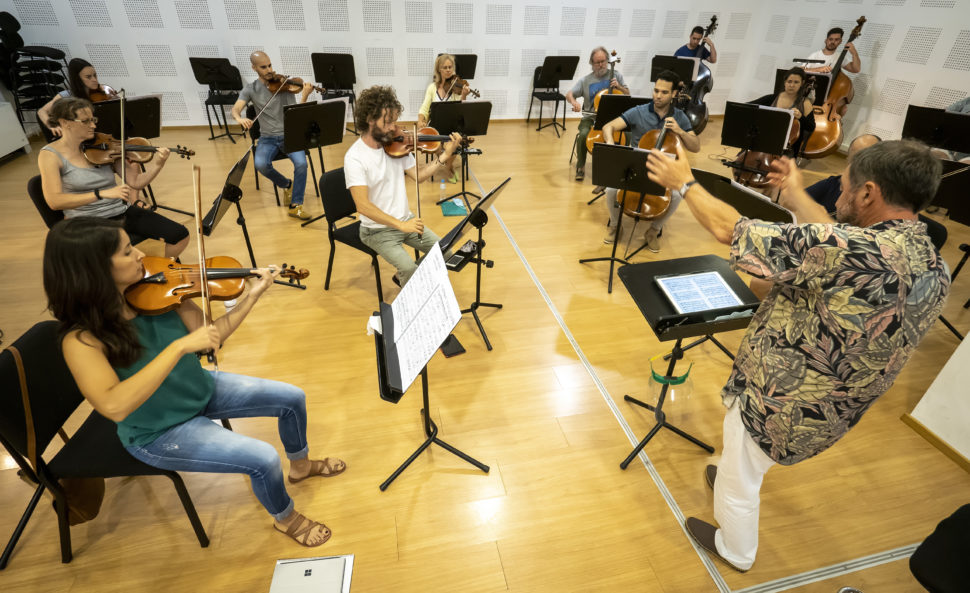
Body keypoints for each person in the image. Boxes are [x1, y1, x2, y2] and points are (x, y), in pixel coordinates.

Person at [644, 139, 949, 572]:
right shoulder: (932, 262)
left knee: (740, 473)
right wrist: (794, 194)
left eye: (844, 188)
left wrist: (685, 182)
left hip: (781, 403)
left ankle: (735, 548)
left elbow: (732, 231)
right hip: (837, 408)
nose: (838, 197)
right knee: (745, 460)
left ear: (868, 194)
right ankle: (740, 471)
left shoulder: (846, 250)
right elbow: (836, 241)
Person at [43, 216, 346, 547]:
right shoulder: (82, 340)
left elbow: (213, 338)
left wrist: (252, 295)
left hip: (198, 389)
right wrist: (177, 348)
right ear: (94, 268)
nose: (142, 255)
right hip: (157, 431)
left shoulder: (157, 293)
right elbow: (114, 406)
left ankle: (300, 466)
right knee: (263, 459)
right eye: (128, 252)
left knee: (292, 397)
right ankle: (285, 517)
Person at [37, 97, 189, 259]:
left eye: (93, 120)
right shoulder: (50, 155)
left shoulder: (104, 146)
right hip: (87, 222)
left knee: (180, 235)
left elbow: (136, 182)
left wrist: (158, 164)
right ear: (65, 122)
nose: (93, 125)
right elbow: (54, 202)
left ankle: (168, 269)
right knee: (120, 255)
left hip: (120, 211)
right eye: (85, 121)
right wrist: (100, 194)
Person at [344, 85, 461, 286]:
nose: (393, 128)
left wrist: (445, 154)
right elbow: (362, 206)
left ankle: (403, 279)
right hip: (377, 230)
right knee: (409, 268)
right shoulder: (355, 158)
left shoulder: (396, 146)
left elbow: (420, 175)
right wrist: (401, 225)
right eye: (387, 122)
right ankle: (410, 296)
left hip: (405, 220)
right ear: (370, 120)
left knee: (446, 250)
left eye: (394, 121)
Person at [599, 69, 699, 251]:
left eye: (664, 92)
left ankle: (653, 230)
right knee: (611, 189)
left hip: (663, 170)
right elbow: (609, 126)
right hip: (636, 167)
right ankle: (615, 225)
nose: (658, 96)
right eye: (656, 90)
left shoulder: (679, 117)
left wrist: (681, 131)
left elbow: (695, 146)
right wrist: (610, 142)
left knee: (678, 194)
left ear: (674, 94)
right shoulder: (639, 112)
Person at [231, 51, 315, 221]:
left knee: (301, 164)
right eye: (263, 67)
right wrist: (240, 118)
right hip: (267, 138)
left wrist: (304, 94)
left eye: (269, 65)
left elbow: (299, 114)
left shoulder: (285, 84)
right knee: (261, 164)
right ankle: (287, 184)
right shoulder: (251, 89)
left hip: (290, 134)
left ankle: (295, 205)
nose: (269, 70)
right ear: (254, 68)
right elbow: (235, 109)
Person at [565, 47, 630, 182]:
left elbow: (627, 94)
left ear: (607, 61)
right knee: (583, 135)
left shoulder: (616, 75)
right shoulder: (585, 81)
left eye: (603, 61)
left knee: (627, 134)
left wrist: (620, 87)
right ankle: (581, 167)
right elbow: (569, 94)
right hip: (591, 118)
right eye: (597, 62)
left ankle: (620, 165)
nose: (601, 65)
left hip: (614, 119)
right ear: (591, 63)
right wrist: (574, 102)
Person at [417, 53, 469, 184]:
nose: (448, 70)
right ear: (439, 70)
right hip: (435, 126)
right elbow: (424, 108)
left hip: (452, 126)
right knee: (432, 141)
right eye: (444, 67)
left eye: (450, 67)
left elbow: (461, 109)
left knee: (457, 140)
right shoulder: (432, 88)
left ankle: (446, 166)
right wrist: (420, 120)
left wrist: (463, 95)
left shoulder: (457, 87)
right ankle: (448, 167)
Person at [37, 58, 118, 138]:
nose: (94, 80)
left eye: (95, 75)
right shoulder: (67, 95)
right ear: (78, 79)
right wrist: (51, 126)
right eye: (88, 77)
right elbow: (41, 111)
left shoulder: (103, 90)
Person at [748, 67, 816, 159]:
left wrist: (801, 117)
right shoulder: (771, 98)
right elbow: (747, 106)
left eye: (796, 82)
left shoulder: (805, 103)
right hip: (764, 141)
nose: (792, 85)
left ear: (802, 83)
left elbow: (811, 127)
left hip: (788, 148)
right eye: (789, 81)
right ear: (785, 82)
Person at [804, 133, 880, 213]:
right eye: (856, 159)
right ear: (848, 160)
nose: (861, 166)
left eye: (867, 160)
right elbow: (797, 199)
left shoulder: (881, 202)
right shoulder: (832, 183)